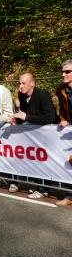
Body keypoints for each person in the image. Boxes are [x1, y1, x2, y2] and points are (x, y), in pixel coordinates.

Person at [8, 73, 58, 198]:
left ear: (32, 84)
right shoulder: (21, 95)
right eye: (19, 83)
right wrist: (17, 120)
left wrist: (26, 117)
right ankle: (38, 185)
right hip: (33, 135)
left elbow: (50, 117)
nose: (20, 86)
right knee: (35, 160)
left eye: (23, 83)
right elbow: (24, 115)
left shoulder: (43, 95)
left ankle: (43, 188)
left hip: (48, 135)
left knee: (45, 160)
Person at [55, 60, 72, 206]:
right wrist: (64, 119)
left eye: (67, 72)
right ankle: (70, 196)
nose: (63, 74)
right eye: (62, 71)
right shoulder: (60, 89)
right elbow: (62, 110)